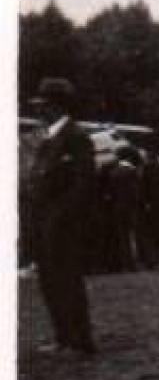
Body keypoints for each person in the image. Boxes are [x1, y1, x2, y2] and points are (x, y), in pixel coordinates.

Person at [25, 78, 98, 355]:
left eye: (43, 105)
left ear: (56, 106)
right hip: (45, 222)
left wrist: (59, 216)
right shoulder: (50, 138)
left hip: (65, 225)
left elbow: (83, 184)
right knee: (50, 281)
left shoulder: (76, 137)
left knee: (67, 281)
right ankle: (63, 336)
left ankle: (79, 339)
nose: (39, 111)